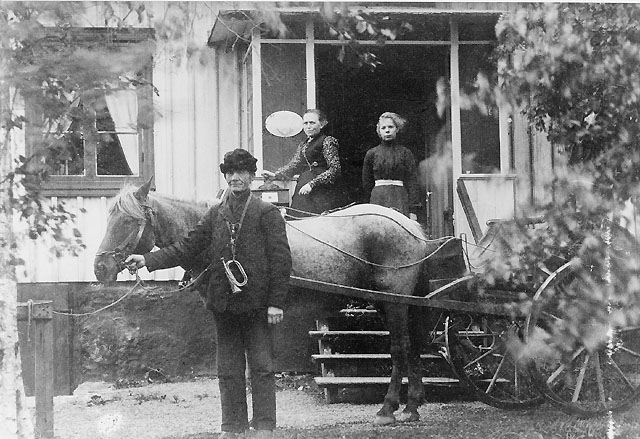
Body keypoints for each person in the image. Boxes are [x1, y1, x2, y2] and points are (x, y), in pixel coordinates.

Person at [125, 149, 292, 439]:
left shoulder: (267, 213)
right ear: (225, 176)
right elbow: (186, 247)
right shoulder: (215, 214)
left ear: (251, 176)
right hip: (223, 303)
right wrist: (147, 260)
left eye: (241, 172)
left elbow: (281, 261)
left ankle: (264, 426)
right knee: (228, 369)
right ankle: (232, 427)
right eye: (230, 172)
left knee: (262, 367)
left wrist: (276, 303)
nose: (235, 178)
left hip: (257, 304)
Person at [262, 109, 342, 217]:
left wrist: (312, 184)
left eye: (312, 123)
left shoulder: (327, 141)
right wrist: (275, 175)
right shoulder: (304, 144)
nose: (308, 126)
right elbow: (295, 165)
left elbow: (335, 169)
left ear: (322, 124)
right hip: (303, 187)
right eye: (305, 123)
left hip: (322, 190)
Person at [362, 112, 421, 220]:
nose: (387, 130)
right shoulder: (371, 154)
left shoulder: (405, 153)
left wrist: (413, 210)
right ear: (379, 131)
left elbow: (412, 181)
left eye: (390, 127)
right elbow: (367, 184)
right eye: (383, 128)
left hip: (399, 198)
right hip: (378, 198)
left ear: (397, 129)